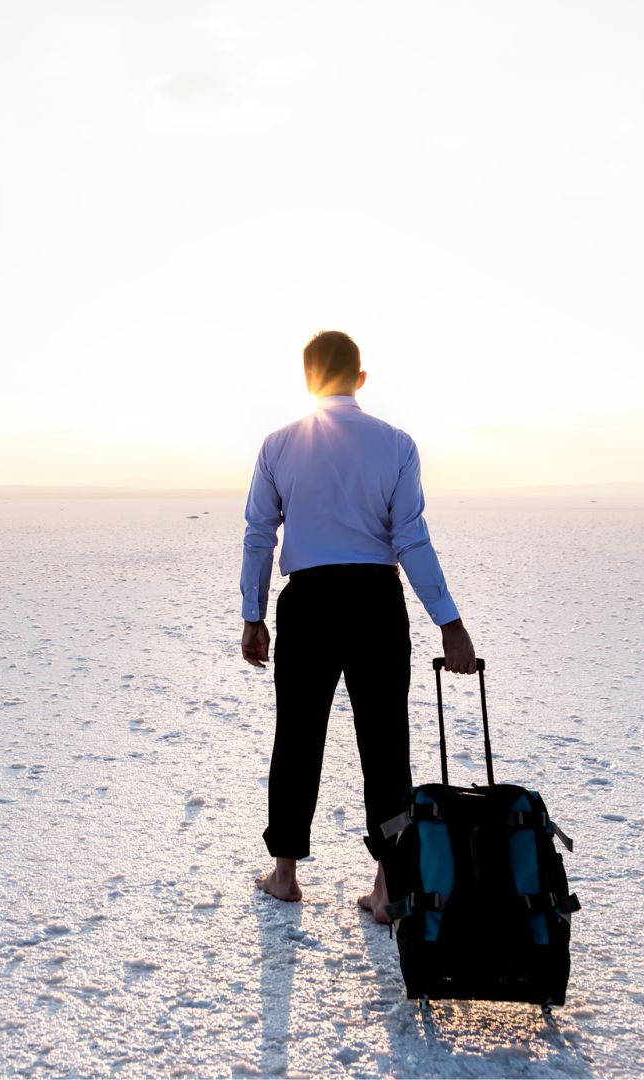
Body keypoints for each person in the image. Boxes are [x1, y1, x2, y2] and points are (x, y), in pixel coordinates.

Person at [239, 330, 477, 917]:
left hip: (309, 602)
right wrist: (449, 621)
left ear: (306, 377)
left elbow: (259, 534)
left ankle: (285, 873)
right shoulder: (395, 445)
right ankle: (386, 885)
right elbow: (411, 538)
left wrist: (254, 614)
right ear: (360, 378)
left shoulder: (277, 446)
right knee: (385, 743)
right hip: (375, 601)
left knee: (297, 737)